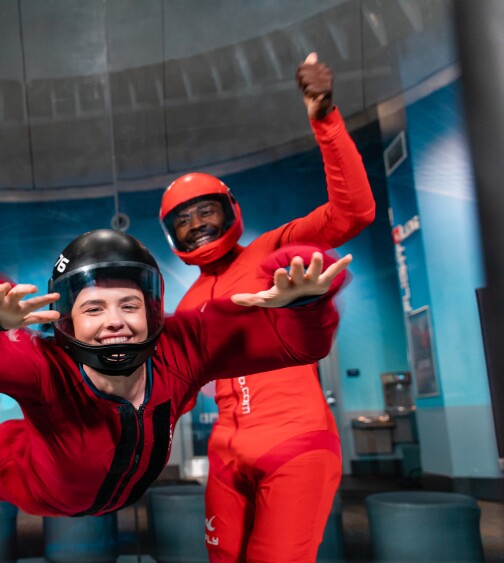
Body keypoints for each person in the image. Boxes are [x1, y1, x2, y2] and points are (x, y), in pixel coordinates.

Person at [0, 228, 351, 517]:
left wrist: (308, 303)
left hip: (107, 485)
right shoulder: (44, 366)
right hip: (23, 473)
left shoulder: (182, 346)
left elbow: (295, 345)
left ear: (151, 312)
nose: (115, 320)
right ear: (67, 321)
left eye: (129, 304)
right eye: (94, 308)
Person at [158, 53, 375, 561]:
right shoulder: (187, 304)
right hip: (225, 454)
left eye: (204, 211)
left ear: (230, 210)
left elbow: (354, 211)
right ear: (172, 236)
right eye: (183, 221)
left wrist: (325, 119)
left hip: (295, 445)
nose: (196, 226)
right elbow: (176, 393)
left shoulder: (273, 250)